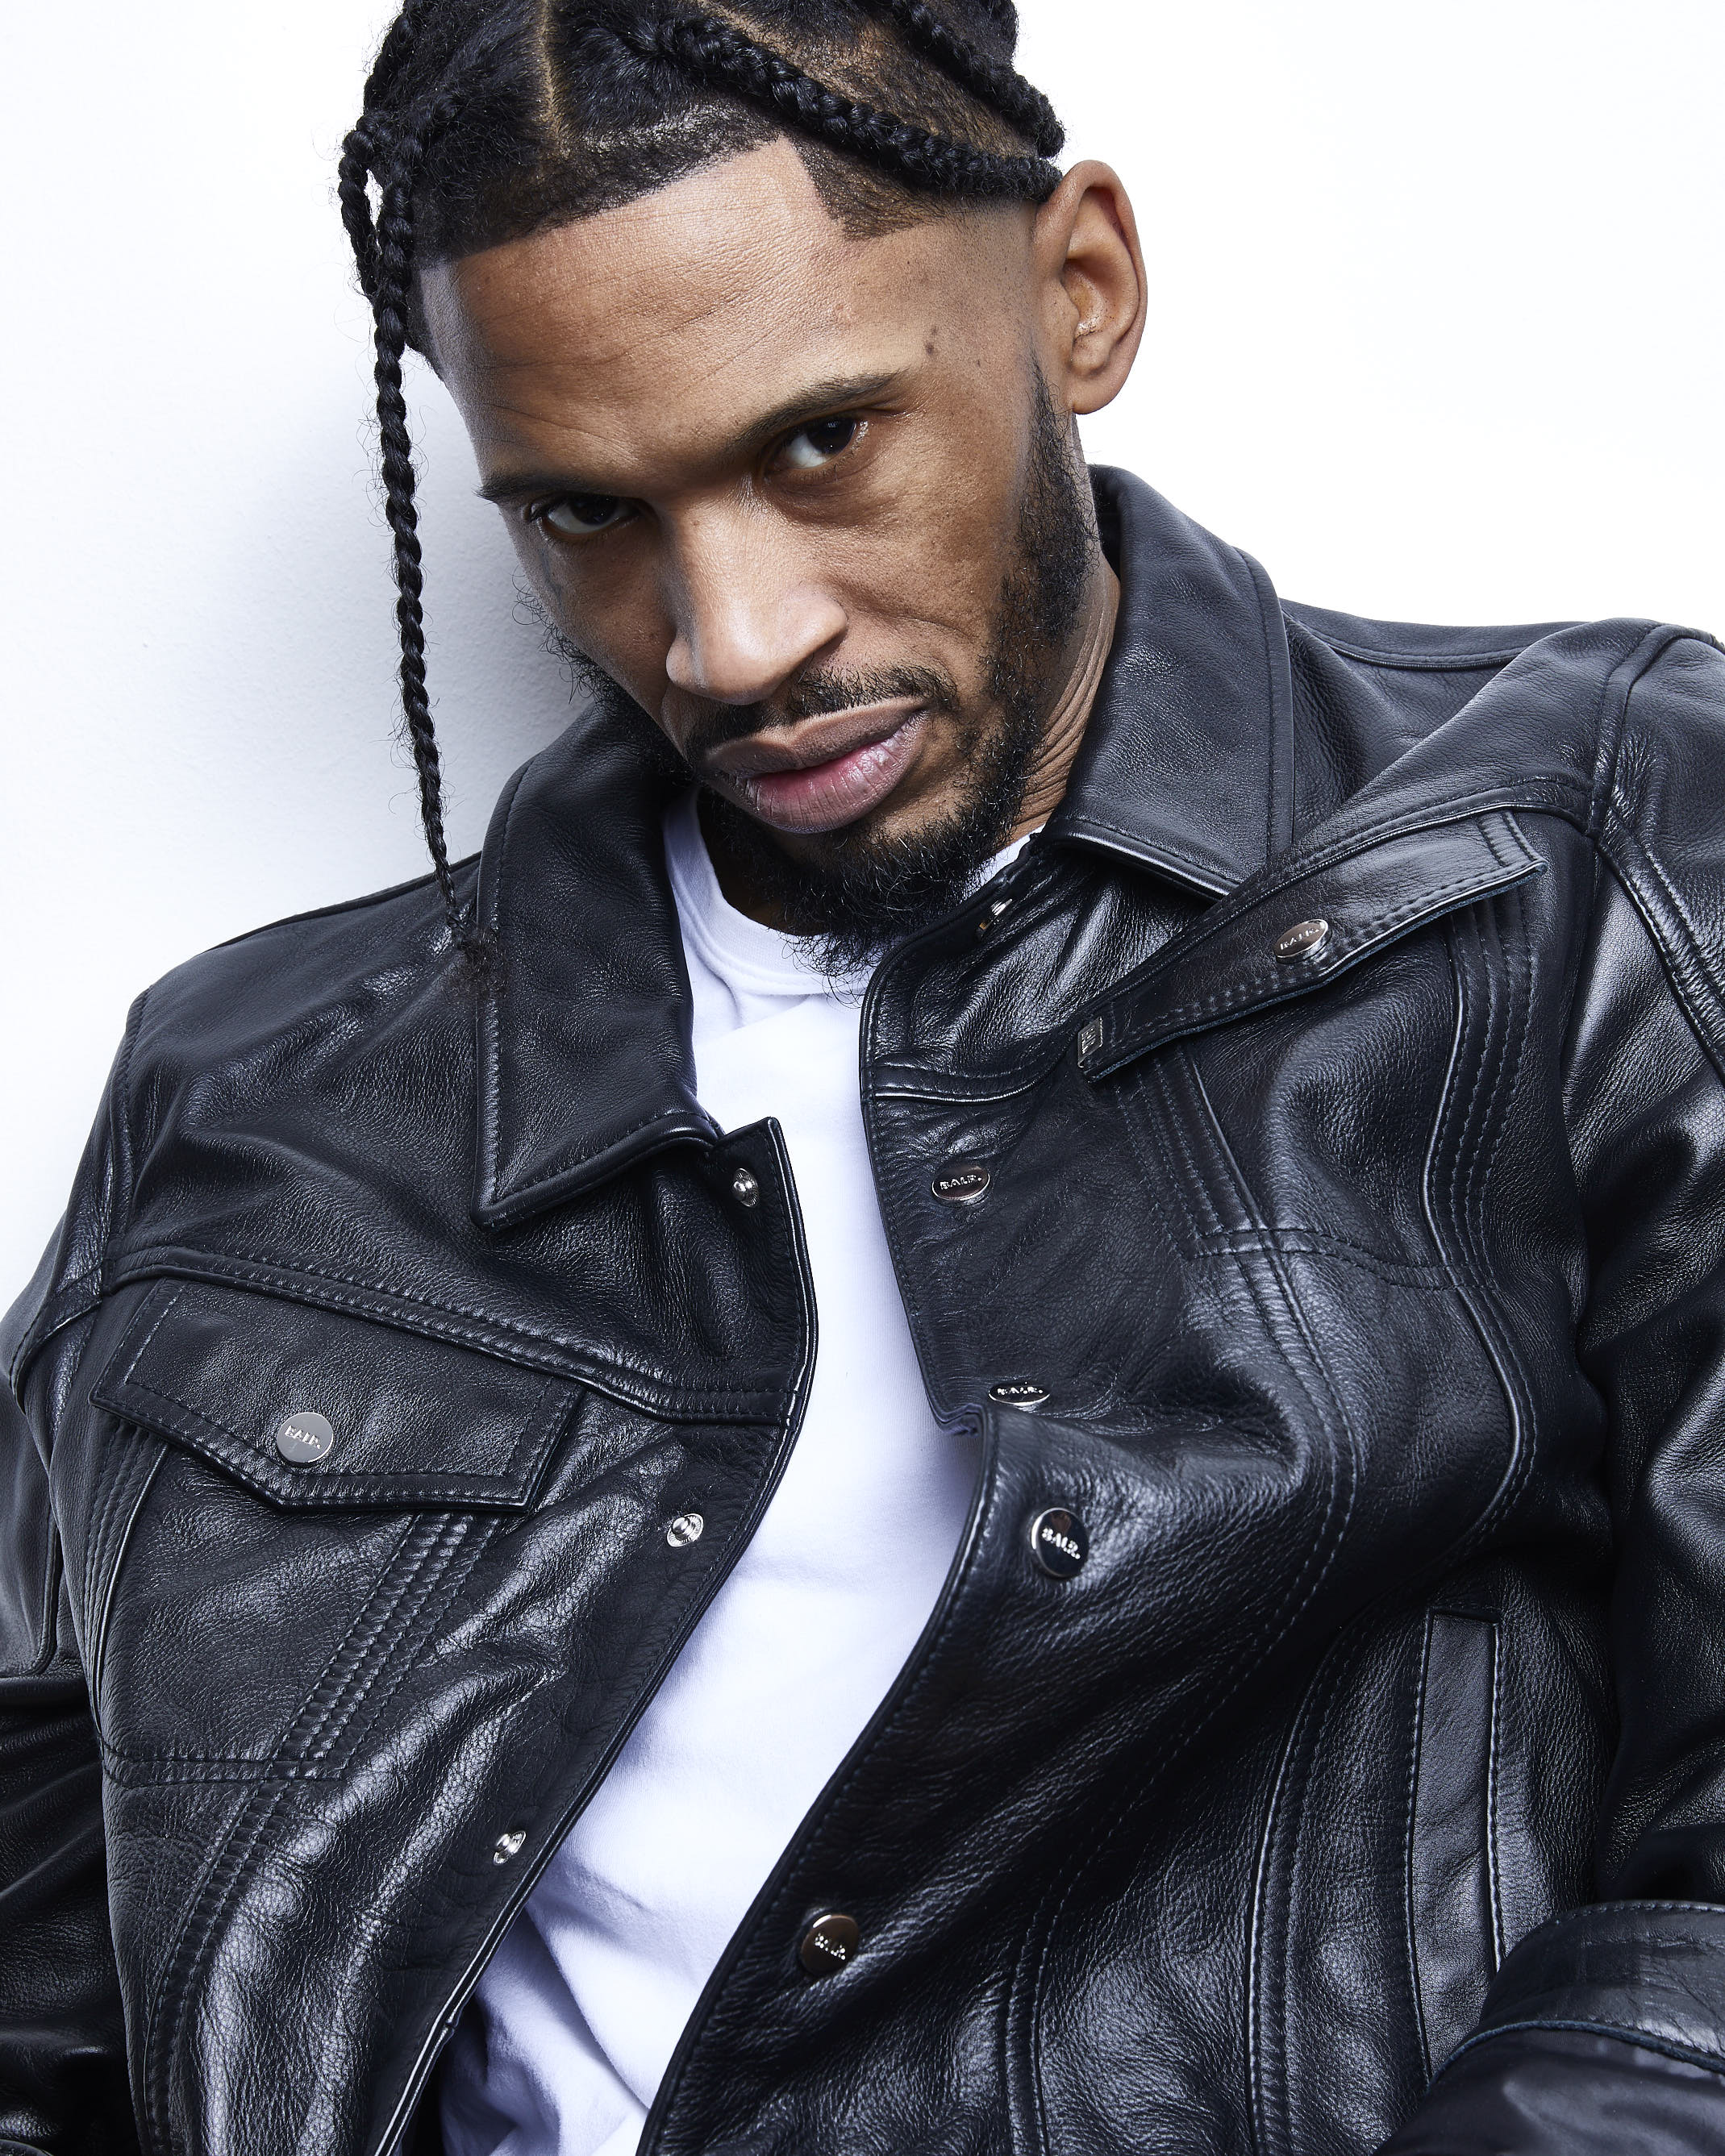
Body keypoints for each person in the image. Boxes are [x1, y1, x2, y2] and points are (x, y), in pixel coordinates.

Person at [4, 0, 1725, 2150]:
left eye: (816, 443)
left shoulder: (1573, 848)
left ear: (1075, 294)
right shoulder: (248, 1092)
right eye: (584, 516)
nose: (724, 641)